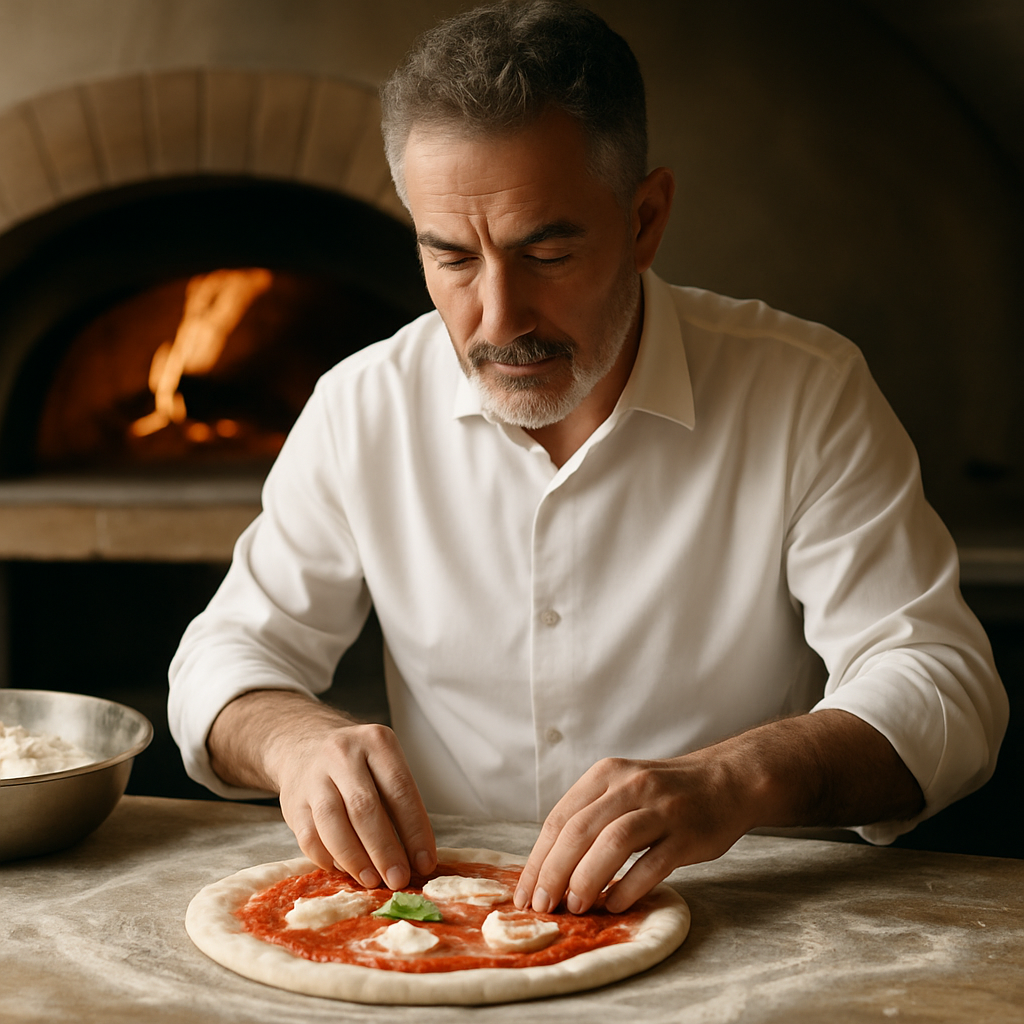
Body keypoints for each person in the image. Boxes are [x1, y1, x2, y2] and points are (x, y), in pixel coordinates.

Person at [169, 0, 1007, 916]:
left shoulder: (807, 390)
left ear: (645, 219)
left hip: (746, 921)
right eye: (453, 259)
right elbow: (223, 660)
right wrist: (292, 741)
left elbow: (946, 690)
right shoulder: (361, 407)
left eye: (548, 252)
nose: (498, 319)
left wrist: (734, 781)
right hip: (444, 935)